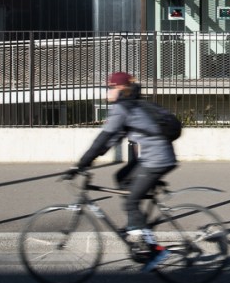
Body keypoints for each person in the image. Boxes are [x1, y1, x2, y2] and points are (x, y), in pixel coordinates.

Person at [67, 72, 177, 270]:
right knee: (122, 177)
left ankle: (155, 251)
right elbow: (111, 140)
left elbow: (103, 137)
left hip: (157, 160)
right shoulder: (131, 104)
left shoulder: (121, 108)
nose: (107, 92)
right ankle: (137, 226)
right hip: (156, 157)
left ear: (119, 88)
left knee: (131, 201)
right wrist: (92, 159)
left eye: (109, 88)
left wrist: (80, 164)